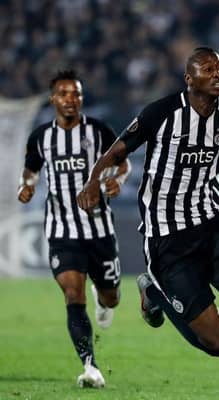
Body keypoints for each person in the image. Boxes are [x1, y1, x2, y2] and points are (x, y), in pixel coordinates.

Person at [76, 46, 219, 400]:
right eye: (208, 68)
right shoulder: (162, 113)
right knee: (218, 344)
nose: (218, 73)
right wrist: (92, 181)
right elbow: (118, 150)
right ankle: (156, 294)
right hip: (167, 238)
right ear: (189, 79)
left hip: (210, 222)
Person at [17, 70, 131, 388]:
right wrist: (25, 187)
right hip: (61, 230)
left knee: (112, 298)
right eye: (64, 94)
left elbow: (123, 163)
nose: (71, 99)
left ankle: (103, 297)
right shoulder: (41, 136)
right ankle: (90, 366)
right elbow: (31, 169)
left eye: (76, 94)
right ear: (54, 98)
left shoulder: (98, 131)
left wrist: (116, 181)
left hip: (99, 230)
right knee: (72, 292)